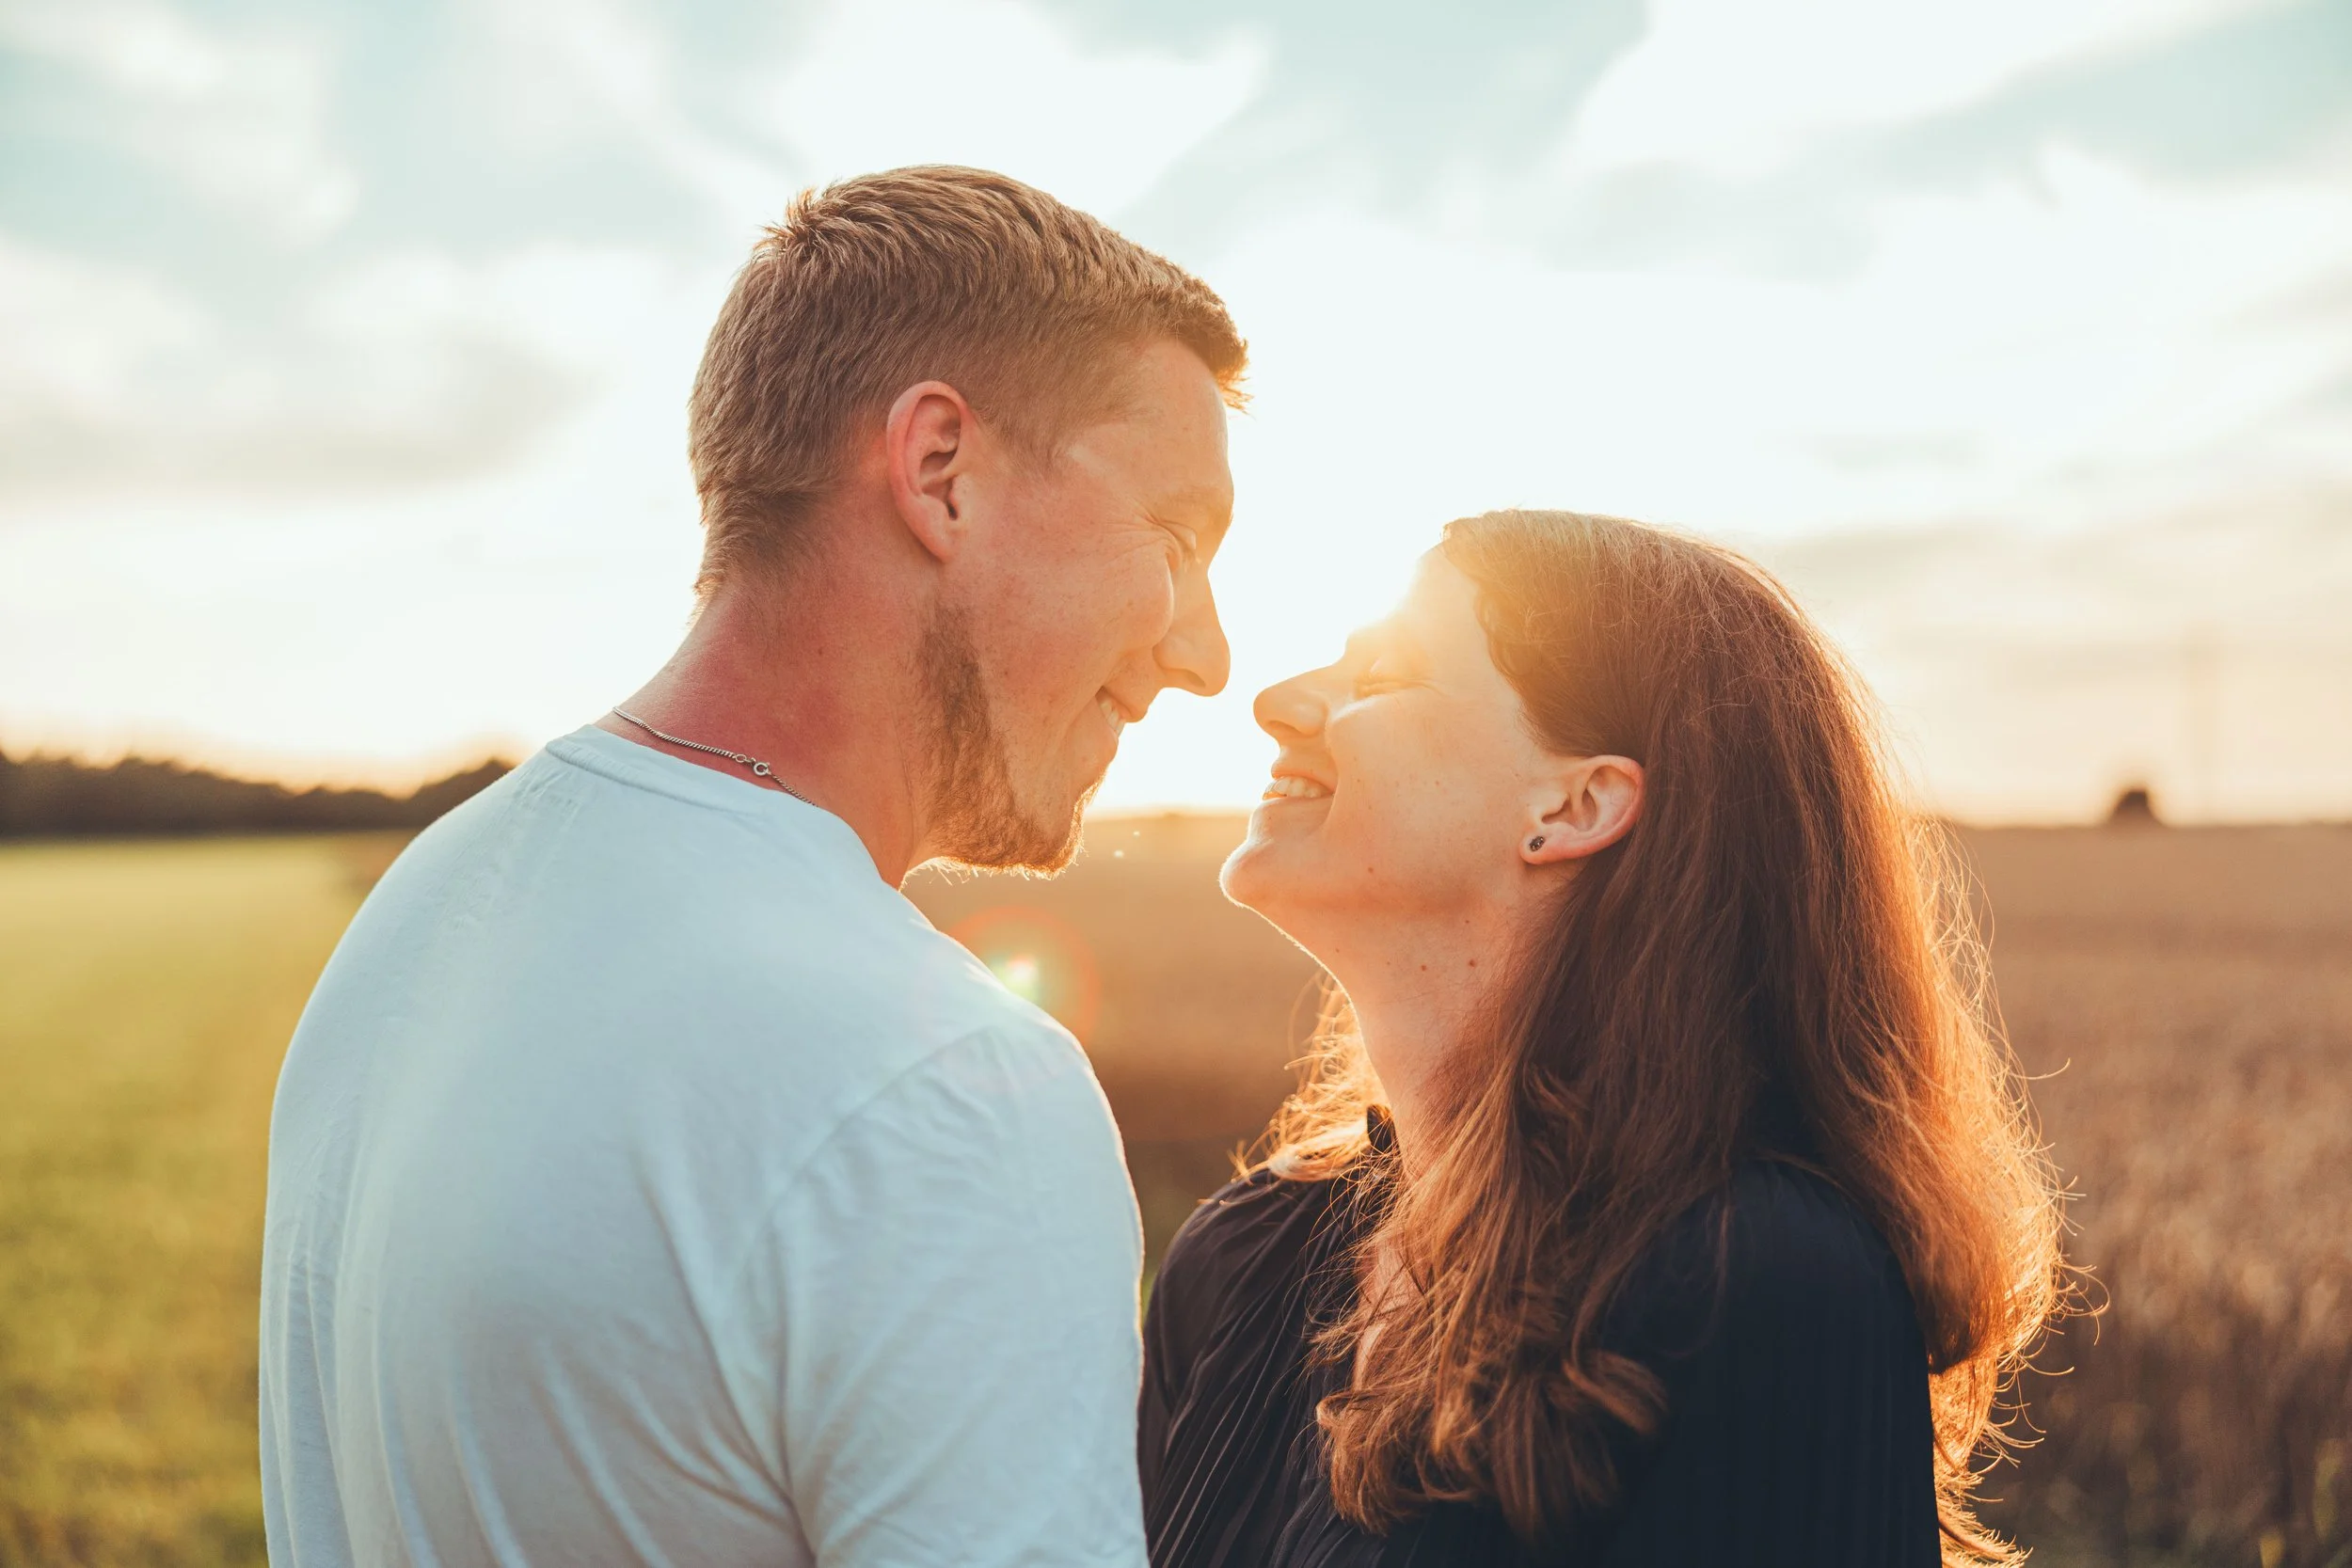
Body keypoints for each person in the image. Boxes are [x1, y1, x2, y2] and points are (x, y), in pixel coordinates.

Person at [260, 166, 1246, 1567]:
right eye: (1175, 538)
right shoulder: (950, 1089)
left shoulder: (427, 903)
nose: (1203, 654)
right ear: (940, 472)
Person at [1142, 511, 2067, 1567]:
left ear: (1577, 802)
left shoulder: (1753, 1276)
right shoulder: (1240, 1254)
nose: (1275, 703)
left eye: (1387, 673)